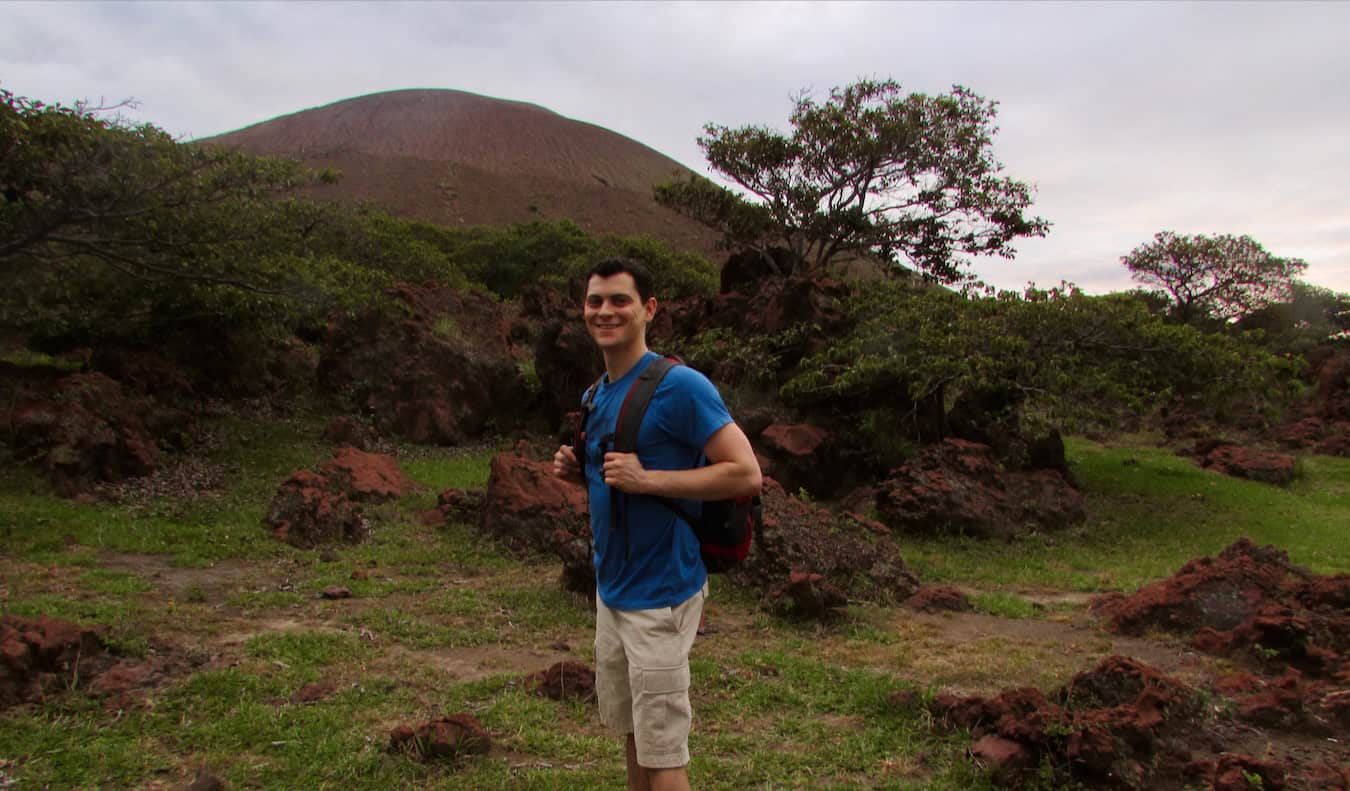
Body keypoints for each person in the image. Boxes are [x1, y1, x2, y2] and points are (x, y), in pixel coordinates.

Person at [553, 258, 761, 791]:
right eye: (595, 301)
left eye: (620, 300)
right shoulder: (597, 392)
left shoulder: (681, 387)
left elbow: (745, 472)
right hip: (613, 591)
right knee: (635, 735)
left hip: (661, 596)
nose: (605, 311)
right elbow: (615, 481)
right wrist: (579, 472)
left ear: (648, 309)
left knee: (663, 753)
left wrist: (648, 480)